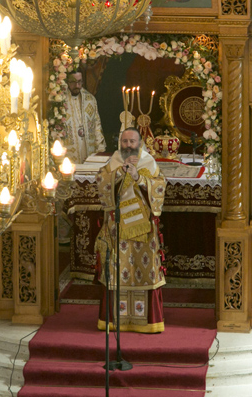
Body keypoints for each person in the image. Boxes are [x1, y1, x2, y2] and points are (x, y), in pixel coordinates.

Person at [94, 127, 167, 333]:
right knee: (117, 272)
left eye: (132, 142)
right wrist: (119, 173)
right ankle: (115, 320)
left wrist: (138, 178)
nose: (128, 146)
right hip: (118, 229)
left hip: (144, 232)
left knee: (143, 271)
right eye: (124, 141)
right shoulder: (114, 161)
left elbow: (159, 187)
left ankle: (148, 321)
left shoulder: (148, 162)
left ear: (140, 142)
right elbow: (101, 182)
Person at [61, 70, 106, 164]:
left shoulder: (90, 99)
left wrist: (100, 147)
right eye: (73, 82)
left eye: (79, 82)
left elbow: (96, 124)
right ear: (67, 82)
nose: (77, 85)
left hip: (88, 146)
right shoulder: (61, 101)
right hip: (70, 149)